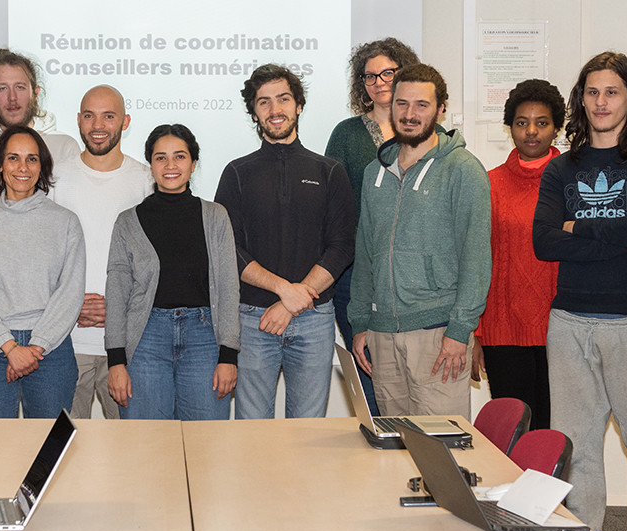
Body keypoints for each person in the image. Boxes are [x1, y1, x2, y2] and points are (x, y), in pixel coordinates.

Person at [532, 51, 627, 531]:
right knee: (579, 452)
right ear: (581, 99)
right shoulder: (560, 169)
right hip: (570, 322)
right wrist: (622, 231)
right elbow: (545, 241)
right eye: (592, 92)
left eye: (612, 91)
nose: (601, 101)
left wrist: (578, 226)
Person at [348, 63, 490, 421]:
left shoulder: (463, 169)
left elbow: (476, 257)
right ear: (389, 106)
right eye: (401, 103)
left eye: (421, 105)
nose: (410, 114)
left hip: (438, 335)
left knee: (443, 450)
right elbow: (366, 253)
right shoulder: (373, 173)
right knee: (396, 449)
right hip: (381, 335)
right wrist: (361, 321)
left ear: (440, 109)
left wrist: (460, 331)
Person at [214, 64, 355, 419]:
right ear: (254, 112)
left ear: (299, 106)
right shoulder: (236, 173)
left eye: (283, 99)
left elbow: (342, 246)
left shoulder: (330, 171)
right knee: (253, 430)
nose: (275, 110)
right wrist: (284, 291)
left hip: (314, 319)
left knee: (307, 433)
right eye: (264, 102)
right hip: (252, 319)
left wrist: (295, 300)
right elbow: (226, 249)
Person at [105, 124, 240, 420]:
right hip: (145, 341)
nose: (170, 166)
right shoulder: (128, 222)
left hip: (204, 340)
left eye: (179, 157)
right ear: (150, 165)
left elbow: (229, 287)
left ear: (193, 164)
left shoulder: (216, 217)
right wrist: (116, 362)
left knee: (205, 444)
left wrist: (228, 355)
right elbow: (116, 293)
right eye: (160, 158)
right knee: (146, 447)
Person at [0, 126, 84, 418]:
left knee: (49, 451)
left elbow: (70, 291)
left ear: (42, 167)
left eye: (32, 159)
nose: (23, 167)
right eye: (13, 158)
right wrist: (10, 347)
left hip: (50, 349)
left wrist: (36, 345)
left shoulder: (65, 222)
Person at [325, 38, 420, 416]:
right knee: (369, 373)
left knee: (412, 375)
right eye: (368, 76)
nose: (378, 81)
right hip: (357, 275)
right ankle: (382, 447)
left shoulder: (424, 130)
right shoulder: (347, 134)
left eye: (387, 73)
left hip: (413, 277)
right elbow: (333, 206)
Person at [51, 85, 151, 419]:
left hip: (127, 347)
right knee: (66, 451)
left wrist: (124, 309)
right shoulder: (54, 177)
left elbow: (155, 265)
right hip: (66, 344)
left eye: (109, 116)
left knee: (130, 453)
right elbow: (42, 257)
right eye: (90, 115)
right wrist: (70, 304)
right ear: (78, 120)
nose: (98, 124)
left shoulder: (146, 182)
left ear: (125, 122)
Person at [472, 79, 564, 431]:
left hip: (561, 329)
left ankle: (553, 491)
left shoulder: (571, 182)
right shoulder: (488, 184)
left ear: (556, 127)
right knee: (511, 433)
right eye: (521, 122)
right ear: (509, 126)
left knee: (552, 432)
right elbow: (478, 260)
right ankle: (512, 490)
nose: (531, 131)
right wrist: (476, 333)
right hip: (502, 331)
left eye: (542, 122)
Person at [0, 48, 80, 192]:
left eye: (20, 87)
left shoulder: (65, 147)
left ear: (36, 93)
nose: (12, 97)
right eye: (2, 88)